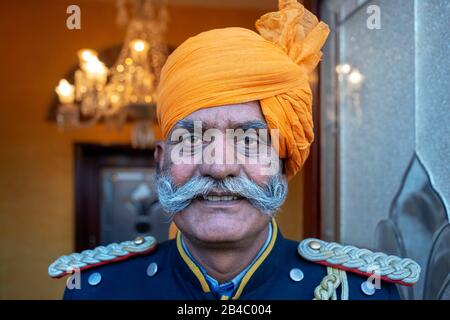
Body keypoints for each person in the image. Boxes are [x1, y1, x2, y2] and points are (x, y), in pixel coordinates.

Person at [49, 0, 420, 300]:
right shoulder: (100, 290)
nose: (220, 166)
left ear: (282, 160)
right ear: (161, 162)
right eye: (191, 140)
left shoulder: (360, 293)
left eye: (248, 140)